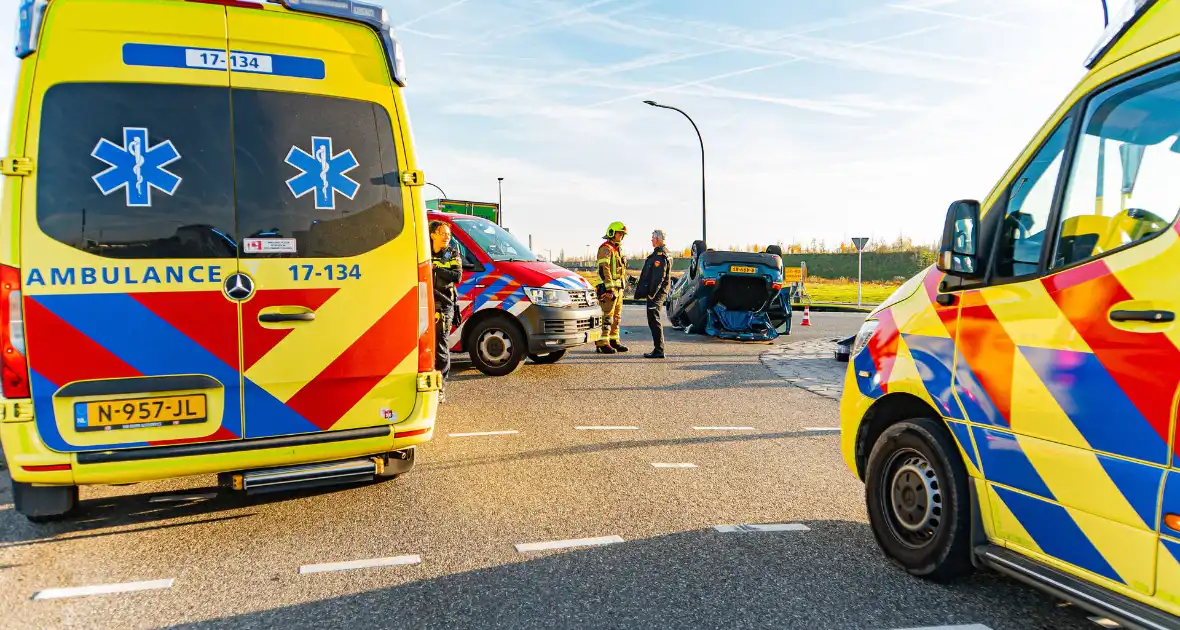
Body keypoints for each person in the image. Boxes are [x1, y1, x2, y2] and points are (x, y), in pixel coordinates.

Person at [430, 221, 462, 401]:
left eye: (448, 234)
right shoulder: (423, 252)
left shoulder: (452, 254)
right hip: (425, 302)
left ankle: (440, 386)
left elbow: (457, 276)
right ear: (433, 234)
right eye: (443, 233)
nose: (447, 237)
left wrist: (437, 268)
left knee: (441, 343)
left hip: (444, 303)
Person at [634, 229, 672, 358]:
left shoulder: (660, 255)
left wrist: (652, 293)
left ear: (658, 239)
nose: (651, 240)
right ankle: (658, 349)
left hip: (656, 294)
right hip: (657, 292)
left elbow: (658, 277)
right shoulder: (660, 253)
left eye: (653, 238)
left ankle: (659, 350)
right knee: (653, 319)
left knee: (654, 320)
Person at [594, 221, 629, 354]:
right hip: (608, 289)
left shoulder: (617, 249)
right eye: (620, 233)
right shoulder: (605, 248)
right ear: (612, 233)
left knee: (616, 317)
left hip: (618, 289)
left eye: (622, 234)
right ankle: (602, 343)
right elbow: (604, 269)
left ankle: (614, 340)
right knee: (606, 316)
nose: (621, 236)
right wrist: (609, 288)